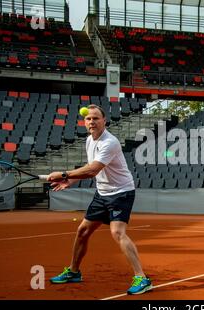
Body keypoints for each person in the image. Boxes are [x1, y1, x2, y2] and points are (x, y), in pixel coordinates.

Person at [47, 104, 152, 295]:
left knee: (117, 232)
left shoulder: (109, 142)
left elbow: (93, 170)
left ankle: (142, 278)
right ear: (84, 122)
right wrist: (69, 180)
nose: (92, 121)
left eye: (96, 118)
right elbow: (90, 166)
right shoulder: (89, 140)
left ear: (104, 121)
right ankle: (73, 272)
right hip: (102, 193)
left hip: (121, 192)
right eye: (89, 119)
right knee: (83, 231)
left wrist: (63, 173)